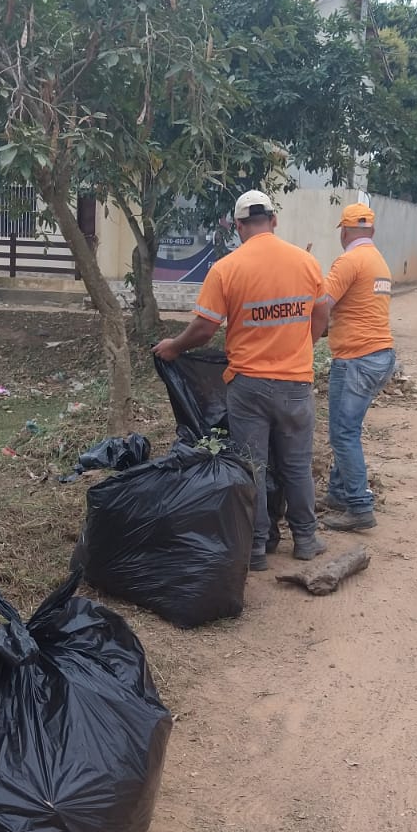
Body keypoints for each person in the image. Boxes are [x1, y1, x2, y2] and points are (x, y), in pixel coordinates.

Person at [155, 190, 329, 570]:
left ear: (237, 226)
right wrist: (302, 347)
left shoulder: (227, 268)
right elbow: (322, 314)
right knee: (297, 466)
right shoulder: (306, 263)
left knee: (254, 467)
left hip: (249, 386)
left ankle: (255, 550)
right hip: (297, 385)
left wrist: (174, 346)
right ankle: (305, 539)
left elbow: (203, 329)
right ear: (274, 220)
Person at [318, 202, 395, 532]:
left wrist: (307, 335)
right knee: (346, 429)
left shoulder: (349, 261)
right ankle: (339, 493)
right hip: (380, 355)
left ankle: (360, 508)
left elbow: (323, 303)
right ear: (372, 232)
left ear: (345, 232)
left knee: (342, 432)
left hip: (356, 359)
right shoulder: (379, 262)